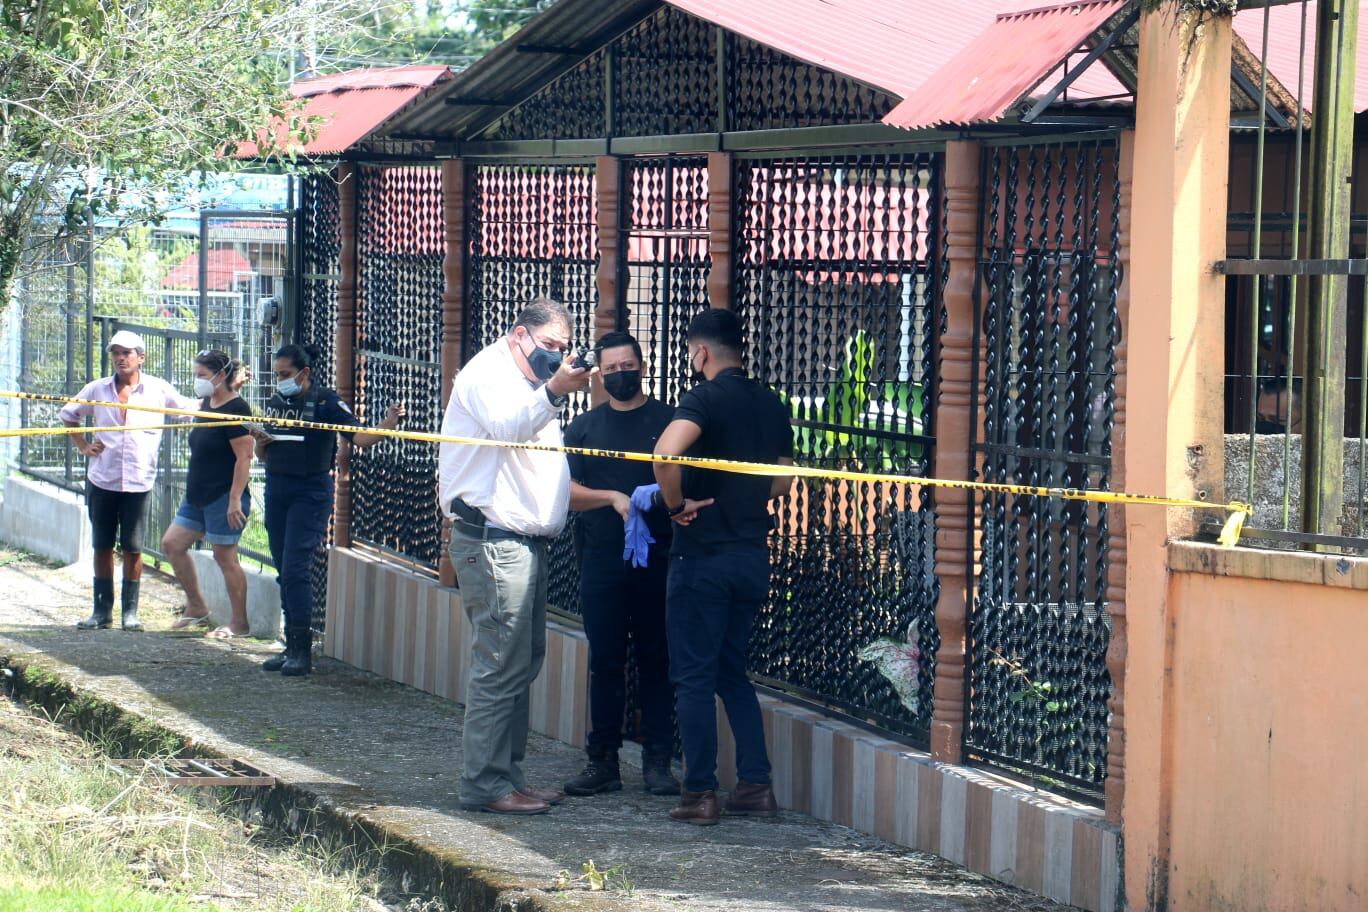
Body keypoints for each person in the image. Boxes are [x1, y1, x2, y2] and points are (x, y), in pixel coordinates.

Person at [437, 298, 592, 816]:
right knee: (499, 665)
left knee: (521, 663)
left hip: (522, 541)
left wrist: (549, 389)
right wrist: (554, 391)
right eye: (548, 346)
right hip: (493, 539)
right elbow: (507, 428)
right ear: (518, 335)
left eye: (563, 350)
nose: (556, 357)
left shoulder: (526, 381)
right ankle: (484, 785)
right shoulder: (488, 373)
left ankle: (508, 777)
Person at [652, 308, 794, 826]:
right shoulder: (772, 404)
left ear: (701, 353)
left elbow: (665, 455)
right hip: (751, 556)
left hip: (702, 557)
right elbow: (781, 484)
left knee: (692, 677)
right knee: (733, 672)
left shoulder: (703, 398)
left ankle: (699, 793)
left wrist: (676, 506)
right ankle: (756, 786)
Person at [561, 331, 683, 798]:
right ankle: (602, 762)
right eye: (610, 368)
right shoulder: (584, 429)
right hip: (602, 562)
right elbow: (565, 493)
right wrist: (611, 497)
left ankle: (658, 763)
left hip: (660, 562)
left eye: (626, 366)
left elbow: (687, 474)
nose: (619, 374)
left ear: (643, 365)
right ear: (598, 374)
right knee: (606, 661)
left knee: (658, 660)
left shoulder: (670, 421)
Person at [60, 330, 244, 631]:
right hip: (102, 479)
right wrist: (83, 446)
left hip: (139, 481)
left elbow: (189, 409)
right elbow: (68, 415)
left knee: (133, 547)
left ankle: (129, 613)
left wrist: (227, 388)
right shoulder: (97, 389)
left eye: (127, 353)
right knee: (102, 545)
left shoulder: (157, 389)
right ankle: (101, 611)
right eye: (116, 353)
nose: (120, 358)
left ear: (140, 357)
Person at [254, 343, 404, 677]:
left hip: (309, 491)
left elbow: (359, 439)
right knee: (282, 567)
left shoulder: (326, 401)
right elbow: (263, 455)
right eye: (277, 375)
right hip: (276, 487)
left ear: (304, 373)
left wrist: (388, 423)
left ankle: (301, 652)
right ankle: (289, 645)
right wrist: (259, 443)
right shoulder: (278, 402)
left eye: (285, 375)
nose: (280, 381)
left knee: (296, 568)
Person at [159, 350, 255, 638]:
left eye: (201, 375)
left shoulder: (237, 410)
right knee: (172, 544)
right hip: (196, 493)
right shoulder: (206, 402)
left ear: (220, 375)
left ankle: (240, 623)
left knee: (225, 557)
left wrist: (235, 499)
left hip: (223, 494)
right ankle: (197, 606)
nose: (196, 380)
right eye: (195, 375)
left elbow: (245, 457)